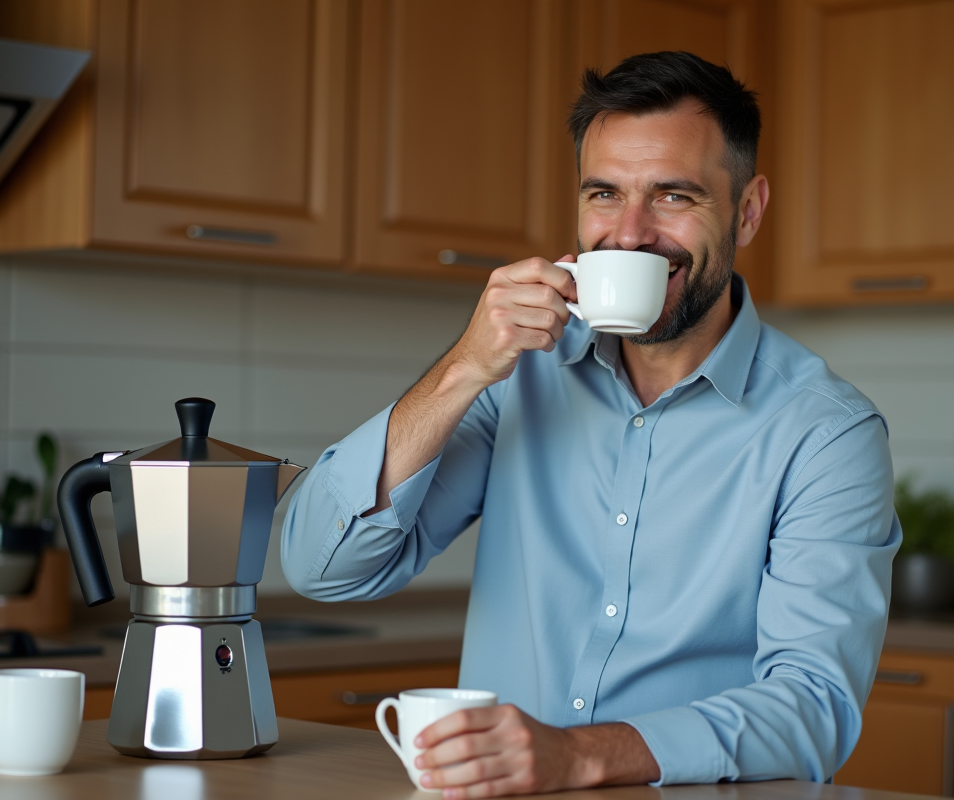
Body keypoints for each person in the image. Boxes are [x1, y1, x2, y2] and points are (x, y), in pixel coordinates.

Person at [281, 51, 900, 798]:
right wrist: (466, 367)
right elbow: (324, 568)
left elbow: (814, 710)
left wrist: (579, 755)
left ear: (747, 209)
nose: (630, 233)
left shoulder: (826, 433)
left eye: (674, 196)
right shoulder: (516, 377)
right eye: (604, 193)